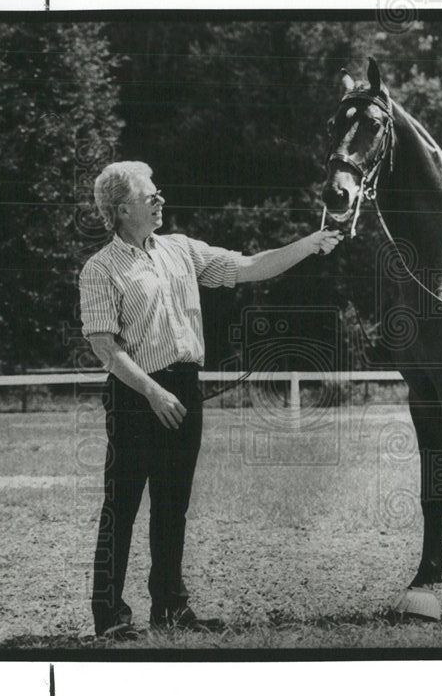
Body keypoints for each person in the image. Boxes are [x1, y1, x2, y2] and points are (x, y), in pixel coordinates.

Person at [79, 161, 342, 640]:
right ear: (121, 210)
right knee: (122, 506)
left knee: (172, 503)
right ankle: (110, 615)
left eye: (159, 192)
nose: (160, 200)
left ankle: (171, 607)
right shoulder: (99, 269)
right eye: (149, 196)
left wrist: (310, 243)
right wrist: (153, 391)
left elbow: (248, 267)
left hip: (184, 389)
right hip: (136, 395)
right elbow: (105, 347)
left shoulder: (181, 250)